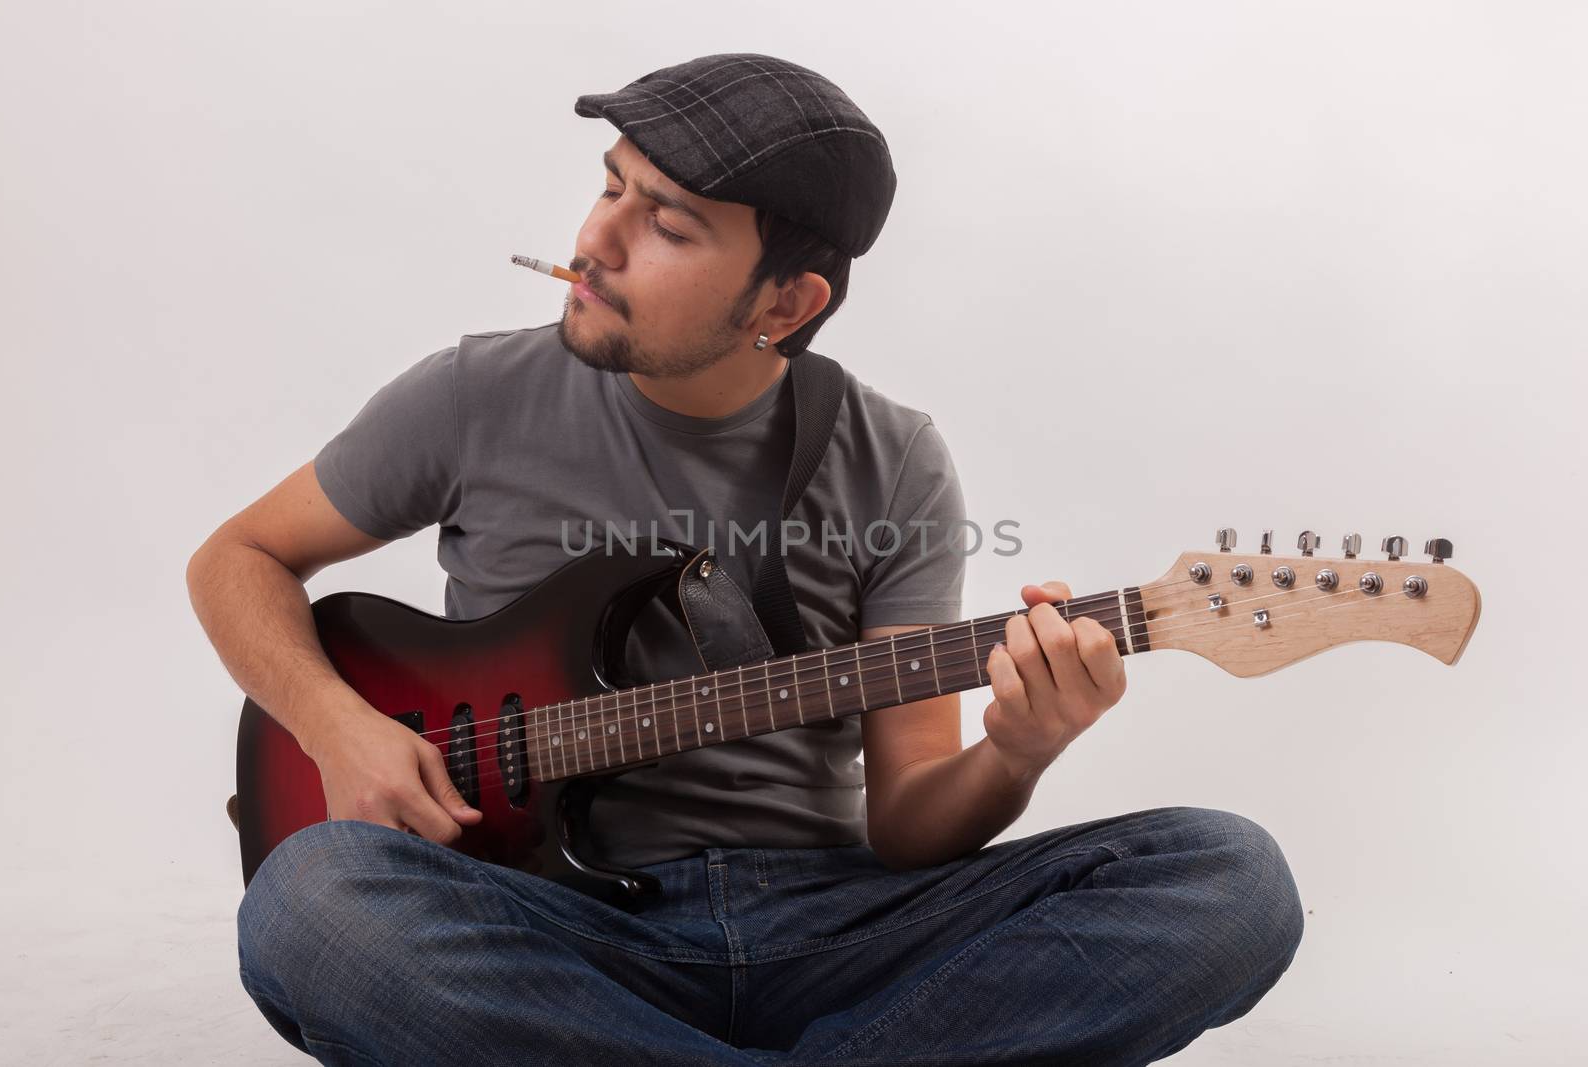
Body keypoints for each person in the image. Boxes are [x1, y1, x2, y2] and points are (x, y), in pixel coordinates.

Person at [187, 52, 1303, 1066]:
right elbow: (237, 556)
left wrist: (1017, 749)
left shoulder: (893, 455)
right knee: (314, 897)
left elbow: (911, 819)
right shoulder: (474, 394)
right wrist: (340, 728)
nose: (597, 241)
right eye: (612, 184)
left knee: (1228, 877)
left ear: (787, 302)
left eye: (667, 225)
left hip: (837, 926)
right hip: (555, 928)